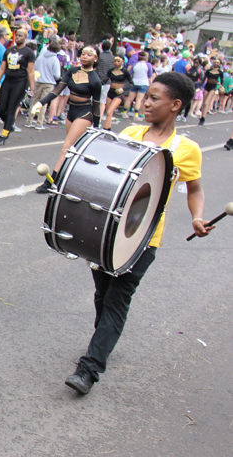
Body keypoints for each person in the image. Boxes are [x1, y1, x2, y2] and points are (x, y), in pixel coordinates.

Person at [64, 72, 213, 394]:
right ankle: (103, 338)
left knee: (117, 300)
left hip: (144, 240)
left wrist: (197, 218)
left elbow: (195, 189)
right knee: (102, 295)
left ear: (175, 105)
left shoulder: (186, 149)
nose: (146, 102)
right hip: (107, 233)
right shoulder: (131, 133)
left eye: (154, 98)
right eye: (146, 96)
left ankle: (89, 368)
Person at [32, 45, 102, 193]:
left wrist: (95, 128)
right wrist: (40, 102)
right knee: (73, 149)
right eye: (82, 54)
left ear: (95, 59)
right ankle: (73, 176)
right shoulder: (72, 71)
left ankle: (51, 181)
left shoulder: (95, 80)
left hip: (84, 114)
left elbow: (96, 106)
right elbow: (57, 90)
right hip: (71, 111)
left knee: (67, 147)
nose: (84, 57)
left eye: (89, 55)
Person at [0, 28, 35, 145]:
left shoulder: (28, 52)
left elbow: (31, 71)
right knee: (1, 107)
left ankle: (4, 135)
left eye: (21, 35)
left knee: (12, 108)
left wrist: (32, 88)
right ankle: (9, 124)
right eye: (17, 35)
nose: (18, 37)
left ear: (25, 37)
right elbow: (2, 68)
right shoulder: (8, 51)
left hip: (20, 82)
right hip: (8, 81)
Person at [30, 36, 61, 130]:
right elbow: (57, 75)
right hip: (49, 83)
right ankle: (39, 122)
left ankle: (29, 120)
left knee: (35, 101)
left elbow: (35, 68)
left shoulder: (40, 56)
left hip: (38, 81)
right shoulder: (55, 60)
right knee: (43, 103)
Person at [101, 56, 132, 132]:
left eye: (118, 61)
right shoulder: (111, 71)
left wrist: (123, 89)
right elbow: (104, 80)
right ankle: (107, 128)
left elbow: (131, 84)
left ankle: (106, 129)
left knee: (109, 111)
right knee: (109, 113)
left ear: (122, 62)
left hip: (118, 94)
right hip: (110, 92)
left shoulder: (125, 72)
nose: (116, 63)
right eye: (115, 61)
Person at [122, 50, 153, 121]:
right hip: (144, 83)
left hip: (134, 82)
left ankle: (124, 112)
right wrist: (150, 84)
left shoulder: (134, 65)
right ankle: (136, 115)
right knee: (139, 99)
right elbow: (150, 76)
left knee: (130, 99)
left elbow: (131, 74)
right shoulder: (148, 65)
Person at [200, 57, 223, 125]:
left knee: (207, 102)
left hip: (213, 87)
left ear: (219, 64)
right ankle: (202, 117)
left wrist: (220, 88)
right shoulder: (208, 71)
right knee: (204, 103)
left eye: (217, 62)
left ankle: (203, 117)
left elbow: (221, 82)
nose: (216, 63)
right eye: (215, 62)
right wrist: (200, 86)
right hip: (207, 86)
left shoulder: (220, 72)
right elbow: (204, 79)